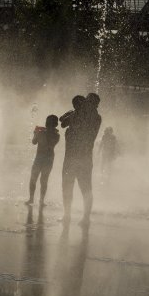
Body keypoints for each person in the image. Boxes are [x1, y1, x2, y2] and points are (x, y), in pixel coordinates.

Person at [62, 93, 102, 224]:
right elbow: (63, 121)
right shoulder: (94, 117)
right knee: (83, 188)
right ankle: (83, 217)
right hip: (82, 158)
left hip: (74, 157)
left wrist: (73, 110)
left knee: (70, 186)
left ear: (91, 103)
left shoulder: (80, 115)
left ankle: (69, 215)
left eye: (87, 101)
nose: (85, 103)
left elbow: (62, 122)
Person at [27, 115, 60, 206]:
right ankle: (40, 200)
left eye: (47, 122)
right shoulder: (56, 135)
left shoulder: (43, 133)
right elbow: (49, 145)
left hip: (40, 158)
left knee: (34, 178)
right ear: (56, 124)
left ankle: (32, 199)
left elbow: (34, 142)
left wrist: (36, 133)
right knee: (43, 180)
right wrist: (38, 133)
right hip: (49, 159)